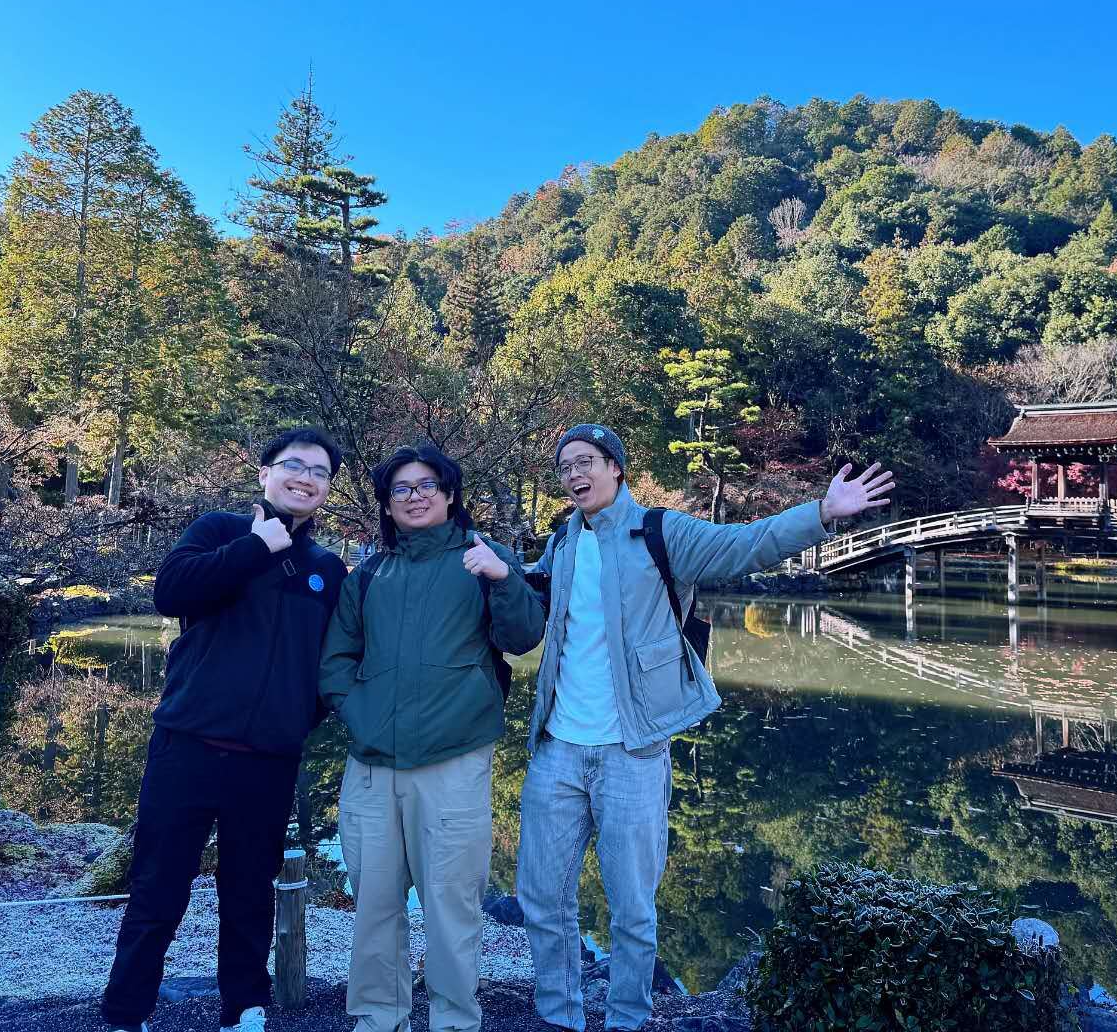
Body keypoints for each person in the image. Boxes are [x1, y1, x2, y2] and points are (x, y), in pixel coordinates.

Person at [517, 423, 894, 1031]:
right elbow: (525, 595)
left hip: (632, 750)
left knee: (632, 909)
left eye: (586, 461)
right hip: (557, 747)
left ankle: (627, 1019)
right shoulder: (561, 541)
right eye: (565, 467)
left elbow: (747, 544)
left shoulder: (663, 533)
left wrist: (822, 512)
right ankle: (560, 1016)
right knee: (540, 896)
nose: (574, 475)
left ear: (617, 468)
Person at [101, 428, 348, 1032]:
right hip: (187, 746)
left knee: (249, 894)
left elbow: (328, 667)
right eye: (293, 465)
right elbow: (170, 593)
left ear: (326, 490)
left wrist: (291, 720)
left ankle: (244, 1007)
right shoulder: (219, 532)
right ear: (264, 473)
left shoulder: (326, 569)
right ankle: (126, 1012)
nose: (305, 477)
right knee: (158, 889)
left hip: (267, 760)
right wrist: (255, 548)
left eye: (319, 472)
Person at [320, 444, 545, 1032]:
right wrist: (357, 712)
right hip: (370, 766)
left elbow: (523, 637)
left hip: (454, 761)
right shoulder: (368, 574)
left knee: (451, 904)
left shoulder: (480, 558)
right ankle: (377, 1015)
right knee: (373, 903)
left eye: (426, 486)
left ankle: (453, 1019)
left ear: (449, 495)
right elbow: (337, 659)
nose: (414, 496)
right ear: (387, 506)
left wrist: (503, 579)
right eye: (401, 489)